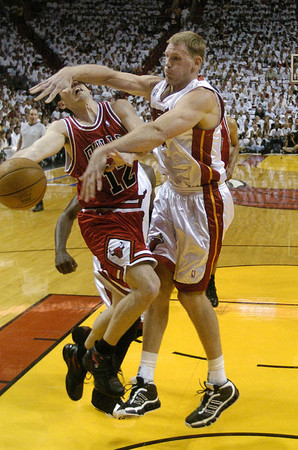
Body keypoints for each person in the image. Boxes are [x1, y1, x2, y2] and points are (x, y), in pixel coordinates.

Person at [30, 30, 239, 428]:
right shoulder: (158, 86)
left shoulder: (201, 96)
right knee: (155, 288)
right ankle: (145, 380)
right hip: (170, 198)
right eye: (166, 55)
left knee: (192, 296)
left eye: (176, 58)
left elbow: (159, 133)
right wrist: (73, 69)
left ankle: (220, 383)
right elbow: (109, 76)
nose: (167, 62)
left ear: (196, 64)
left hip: (203, 201)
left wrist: (109, 149)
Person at [13, 82, 160, 412]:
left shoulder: (119, 109)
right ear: (62, 102)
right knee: (149, 288)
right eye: (65, 87)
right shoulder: (63, 128)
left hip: (135, 217)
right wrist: (12, 166)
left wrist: (124, 155)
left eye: (76, 79)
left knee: (125, 302)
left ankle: (80, 356)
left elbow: (148, 139)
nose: (73, 85)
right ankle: (101, 359)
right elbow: (37, 151)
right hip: (103, 220)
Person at [55, 161, 156, 416]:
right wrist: (60, 250)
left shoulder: (149, 173)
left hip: (135, 251)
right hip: (110, 251)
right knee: (129, 318)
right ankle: (103, 391)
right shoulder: (101, 176)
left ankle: (81, 355)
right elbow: (67, 214)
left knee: (125, 312)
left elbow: (149, 213)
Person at [206, 115, 240, 307]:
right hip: (188, 187)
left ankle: (210, 282)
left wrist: (232, 167)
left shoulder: (229, 123)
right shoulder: (186, 120)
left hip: (217, 188)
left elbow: (235, 145)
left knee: (215, 241)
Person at [16, 108, 46, 211]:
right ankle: (24, 201)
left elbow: (44, 142)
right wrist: (17, 152)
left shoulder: (41, 127)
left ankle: (39, 203)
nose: (33, 116)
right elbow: (20, 140)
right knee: (22, 180)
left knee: (36, 182)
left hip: (35, 157)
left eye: (35, 114)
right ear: (28, 115)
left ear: (38, 116)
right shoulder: (23, 126)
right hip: (24, 156)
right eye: (31, 114)